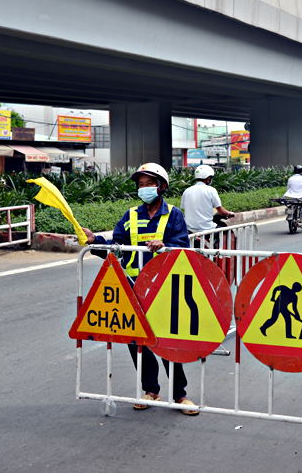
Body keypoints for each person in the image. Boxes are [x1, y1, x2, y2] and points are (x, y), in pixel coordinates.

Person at [81, 163, 198, 415]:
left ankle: (180, 395)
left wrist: (165, 244)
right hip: (133, 289)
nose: (144, 188)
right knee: (137, 342)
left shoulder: (174, 215)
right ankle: (150, 390)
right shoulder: (131, 215)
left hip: (164, 288)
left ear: (162, 186)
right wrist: (95, 241)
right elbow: (117, 246)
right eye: (141, 184)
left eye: (150, 183)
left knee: (168, 341)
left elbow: (182, 246)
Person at [180, 165, 234, 234]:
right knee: (226, 230)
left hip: (189, 229)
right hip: (208, 229)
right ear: (208, 178)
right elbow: (221, 212)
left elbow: (185, 208)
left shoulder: (186, 191)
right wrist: (229, 213)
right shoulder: (211, 190)